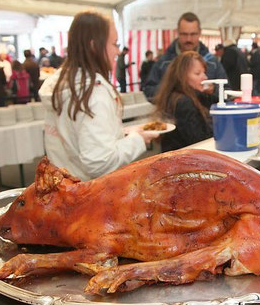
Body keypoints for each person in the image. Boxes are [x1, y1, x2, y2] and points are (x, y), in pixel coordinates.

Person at [39, 10, 157, 181]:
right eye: (114, 44)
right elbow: (99, 163)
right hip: (89, 193)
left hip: (65, 187)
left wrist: (121, 133)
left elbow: (77, 136)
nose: (117, 52)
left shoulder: (64, 82)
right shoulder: (93, 93)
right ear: (95, 46)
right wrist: (138, 139)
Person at [143, 12, 227, 100]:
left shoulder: (212, 62)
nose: (188, 39)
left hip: (205, 113)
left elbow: (227, 92)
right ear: (177, 32)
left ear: (199, 33)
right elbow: (149, 91)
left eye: (193, 34)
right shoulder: (164, 62)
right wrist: (173, 89)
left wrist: (213, 90)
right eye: (184, 34)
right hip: (173, 113)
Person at [154, 51, 215, 152]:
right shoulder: (184, 103)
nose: (205, 77)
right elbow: (200, 140)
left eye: (204, 72)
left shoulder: (175, 96)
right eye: (197, 73)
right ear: (181, 77)